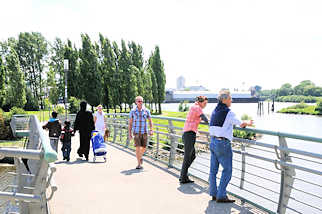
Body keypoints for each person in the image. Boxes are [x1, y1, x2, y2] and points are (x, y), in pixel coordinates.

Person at [208, 90, 253, 203]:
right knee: (227, 170)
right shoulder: (229, 112)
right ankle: (221, 195)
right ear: (224, 100)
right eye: (230, 98)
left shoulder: (215, 111)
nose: (231, 100)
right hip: (222, 143)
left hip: (212, 141)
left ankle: (214, 193)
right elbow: (241, 124)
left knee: (213, 170)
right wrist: (248, 123)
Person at [179, 96, 209, 184]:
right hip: (189, 134)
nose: (205, 105)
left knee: (192, 156)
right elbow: (205, 119)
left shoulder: (194, 107)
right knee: (188, 156)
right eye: (205, 103)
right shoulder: (197, 107)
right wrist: (209, 121)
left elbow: (200, 118)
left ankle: (184, 175)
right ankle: (183, 177)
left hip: (189, 134)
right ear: (200, 102)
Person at [128, 96, 153, 169]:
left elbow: (150, 121)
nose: (140, 102)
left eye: (142, 101)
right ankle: (139, 164)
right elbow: (130, 123)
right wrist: (129, 134)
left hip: (144, 132)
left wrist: (151, 129)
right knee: (137, 148)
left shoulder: (146, 111)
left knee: (144, 147)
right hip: (136, 132)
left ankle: (140, 157)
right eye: (139, 101)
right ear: (136, 102)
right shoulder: (133, 111)